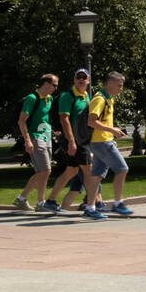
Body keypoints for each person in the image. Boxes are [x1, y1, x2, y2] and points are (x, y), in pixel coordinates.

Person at [84, 72, 133, 220]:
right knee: (122, 169)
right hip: (101, 143)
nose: (121, 89)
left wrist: (111, 135)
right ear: (109, 83)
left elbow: (102, 121)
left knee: (97, 176)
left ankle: (90, 208)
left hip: (103, 141)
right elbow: (91, 121)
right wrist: (112, 131)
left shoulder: (108, 98)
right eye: (119, 85)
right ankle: (118, 203)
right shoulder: (100, 99)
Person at [43, 68, 93, 213]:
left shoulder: (85, 96)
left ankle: (50, 202)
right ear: (74, 79)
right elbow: (64, 119)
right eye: (79, 77)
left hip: (82, 140)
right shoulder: (68, 96)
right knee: (89, 171)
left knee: (71, 171)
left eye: (84, 77)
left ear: (88, 81)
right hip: (74, 140)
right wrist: (71, 141)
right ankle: (92, 206)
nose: (81, 79)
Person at [12, 74, 58, 211]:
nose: (56, 88)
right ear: (45, 84)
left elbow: (44, 118)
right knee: (45, 170)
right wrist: (27, 141)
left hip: (47, 137)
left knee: (43, 172)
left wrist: (54, 131)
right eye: (54, 85)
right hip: (35, 137)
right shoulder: (32, 98)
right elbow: (21, 121)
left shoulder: (49, 99)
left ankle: (22, 199)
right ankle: (40, 203)